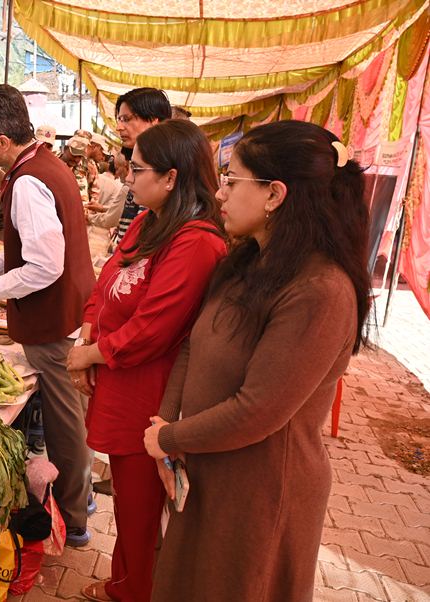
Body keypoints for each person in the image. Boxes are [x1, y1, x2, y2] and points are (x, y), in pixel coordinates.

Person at [144, 121, 371, 602]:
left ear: (274, 194)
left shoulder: (320, 290)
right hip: (207, 466)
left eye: (232, 179)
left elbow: (258, 410)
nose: (220, 193)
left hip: (260, 489)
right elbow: (194, 344)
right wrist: (167, 431)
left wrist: (169, 438)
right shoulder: (247, 261)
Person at [65, 120, 226, 602]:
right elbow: (106, 281)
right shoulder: (148, 222)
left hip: (150, 392)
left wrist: (89, 354)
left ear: (171, 177)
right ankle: (126, 582)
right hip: (119, 380)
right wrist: (88, 334)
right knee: (130, 502)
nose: (128, 178)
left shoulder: (196, 242)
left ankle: (135, 590)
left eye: (137, 170)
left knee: (141, 505)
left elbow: (153, 328)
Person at [0, 84, 96, 547]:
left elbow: (44, 266)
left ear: (3, 141)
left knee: (66, 426)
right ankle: (79, 501)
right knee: (69, 418)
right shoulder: (44, 164)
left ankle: (73, 517)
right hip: (65, 315)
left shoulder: (27, 181)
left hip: (55, 322)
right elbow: (24, 248)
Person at [110, 88, 171, 246]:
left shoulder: (163, 170)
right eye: (119, 119)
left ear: (154, 121)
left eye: (126, 119)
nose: (119, 127)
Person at [60, 135, 97, 205]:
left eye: (80, 156)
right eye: (74, 155)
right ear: (65, 149)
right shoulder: (53, 162)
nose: (76, 159)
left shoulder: (86, 168)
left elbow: (93, 192)